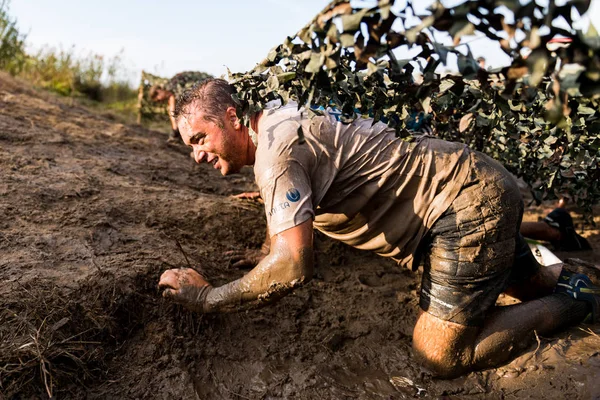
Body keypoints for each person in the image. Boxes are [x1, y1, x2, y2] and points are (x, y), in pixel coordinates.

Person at [158, 78, 599, 378]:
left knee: (438, 355)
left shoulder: (277, 154)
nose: (196, 154)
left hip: (460, 208)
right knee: (535, 287)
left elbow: (292, 266)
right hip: (472, 183)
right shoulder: (277, 120)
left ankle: (582, 306)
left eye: (200, 139)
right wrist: (267, 246)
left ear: (233, 117)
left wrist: (207, 298)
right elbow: (293, 208)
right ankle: (576, 287)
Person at [149, 71, 212, 142]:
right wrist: (175, 129)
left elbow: (185, 101)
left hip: (206, 82)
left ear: (159, 91)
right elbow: (172, 109)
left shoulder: (174, 85)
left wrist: (176, 128)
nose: (160, 100)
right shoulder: (171, 94)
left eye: (158, 98)